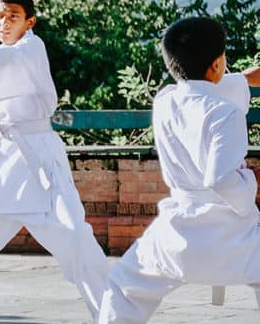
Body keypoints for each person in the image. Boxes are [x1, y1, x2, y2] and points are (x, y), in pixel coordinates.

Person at [0, 0, 109, 323]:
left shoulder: (31, 47)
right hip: (2, 161)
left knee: (74, 236)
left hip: (38, 156)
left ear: (29, 21)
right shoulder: (3, 52)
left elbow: (6, 60)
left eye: (13, 16)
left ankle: (114, 314)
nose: (4, 23)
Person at [98, 17, 260, 323]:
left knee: (122, 287)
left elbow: (212, 84)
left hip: (174, 234)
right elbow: (220, 179)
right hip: (232, 236)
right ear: (217, 64)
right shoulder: (227, 113)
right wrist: (253, 180)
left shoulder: (165, 101)